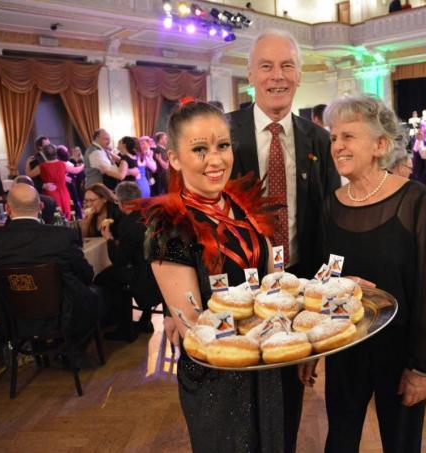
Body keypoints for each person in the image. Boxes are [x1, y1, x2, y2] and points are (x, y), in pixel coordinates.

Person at [300, 94, 426, 452]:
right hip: (345, 345)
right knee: (340, 441)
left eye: (348, 136)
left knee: (401, 444)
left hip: (399, 353)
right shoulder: (331, 204)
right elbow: (324, 278)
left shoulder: (414, 199)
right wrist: (313, 346)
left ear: (380, 145)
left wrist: (422, 368)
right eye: (334, 137)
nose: (337, 146)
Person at [141, 101, 284, 451]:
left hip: (264, 365)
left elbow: (274, 279)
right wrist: (261, 329)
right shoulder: (168, 227)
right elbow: (193, 325)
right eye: (199, 150)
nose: (216, 160)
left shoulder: (244, 207)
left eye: (222, 146)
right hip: (218, 377)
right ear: (174, 158)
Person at [225, 29, 341, 452]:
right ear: (250, 74)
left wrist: (323, 304)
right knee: (240, 400)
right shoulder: (224, 134)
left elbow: (329, 226)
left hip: (296, 287)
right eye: (267, 66)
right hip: (237, 290)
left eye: (287, 65)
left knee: (291, 395)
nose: (278, 76)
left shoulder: (319, 141)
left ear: (299, 74)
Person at [0, 183, 107, 368]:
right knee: (95, 294)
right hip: (63, 315)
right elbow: (85, 275)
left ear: (8, 209)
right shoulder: (62, 236)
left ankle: (40, 349)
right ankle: (72, 350)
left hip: (14, 319)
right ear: (41, 207)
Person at [94, 182, 158, 341]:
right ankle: (144, 320)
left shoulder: (129, 224)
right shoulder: (149, 214)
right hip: (157, 270)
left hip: (143, 276)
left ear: (123, 203)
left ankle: (124, 327)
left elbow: (119, 260)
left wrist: (109, 239)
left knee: (104, 278)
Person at [29, 144, 84, 220]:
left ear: (45, 154)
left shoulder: (42, 166)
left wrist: (27, 163)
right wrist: (84, 165)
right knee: (66, 215)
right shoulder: (63, 164)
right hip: (64, 193)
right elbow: (76, 170)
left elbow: (29, 175)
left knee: (55, 216)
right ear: (56, 153)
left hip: (50, 194)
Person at [152, 131, 170, 195]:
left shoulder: (163, 150)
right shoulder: (159, 150)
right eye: (165, 138)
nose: (167, 140)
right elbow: (165, 166)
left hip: (163, 176)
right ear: (160, 140)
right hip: (161, 176)